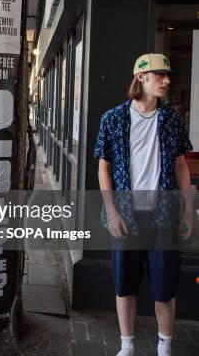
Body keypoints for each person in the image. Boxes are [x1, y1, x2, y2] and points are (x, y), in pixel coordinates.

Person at [94, 53, 194, 356]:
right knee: (124, 284)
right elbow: (103, 167)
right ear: (141, 77)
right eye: (159, 75)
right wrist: (111, 212)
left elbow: (181, 165)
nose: (166, 81)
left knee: (165, 287)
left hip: (164, 215)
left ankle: (165, 347)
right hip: (126, 214)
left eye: (168, 75)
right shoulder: (113, 118)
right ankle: (127, 346)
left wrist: (188, 208)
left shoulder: (172, 120)